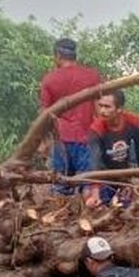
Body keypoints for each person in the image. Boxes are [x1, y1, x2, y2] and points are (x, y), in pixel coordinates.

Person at [40, 38, 102, 192]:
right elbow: (99, 109)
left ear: (58, 56)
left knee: (60, 188)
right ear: (75, 56)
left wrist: (43, 142)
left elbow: (45, 116)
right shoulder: (92, 76)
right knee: (89, 187)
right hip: (87, 139)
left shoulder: (49, 80)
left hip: (61, 141)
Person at [84, 90, 139, 208]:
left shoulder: (134, 123)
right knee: (93, 202)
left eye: (107, 107)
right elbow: (95, 162)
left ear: (119, 109)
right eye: (100, 106)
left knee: (125, 205)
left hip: (123, 177)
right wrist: (95, 193)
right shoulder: (96, 130)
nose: (102, 111)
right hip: (104, 178)